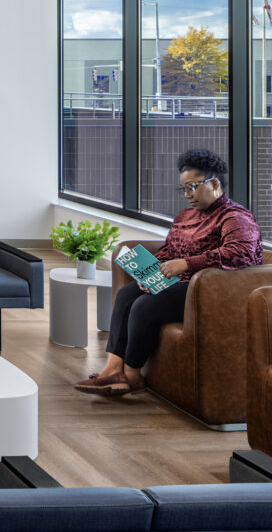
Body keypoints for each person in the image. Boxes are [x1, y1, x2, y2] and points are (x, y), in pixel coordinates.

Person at [75, 149, 263, 398]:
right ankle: (112, 369)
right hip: (178, 285)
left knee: (145, 305)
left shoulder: (235, 217)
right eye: (183, 189)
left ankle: (131, 375)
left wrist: (187, 263)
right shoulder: (185, 216)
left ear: (215, 183)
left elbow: (240, 253)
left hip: (210, 291)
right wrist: (150, 275)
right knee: (127, 294)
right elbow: (168, 251)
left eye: (193, 187)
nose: (187, 195)